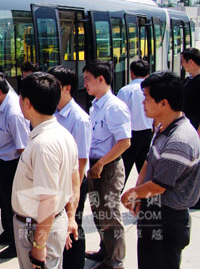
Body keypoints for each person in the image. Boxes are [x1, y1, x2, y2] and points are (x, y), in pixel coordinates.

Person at [121, 70, 200, 269]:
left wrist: (130, 194)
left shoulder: (179, 140)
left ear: (163, 103)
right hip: (154, 211)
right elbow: (148, 162)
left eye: (146, 99)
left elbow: (158, 186)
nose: (142, 103)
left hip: (168, 218)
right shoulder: (163, 127)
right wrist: (139, 195)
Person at [12, 72, 79, 269]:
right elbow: (74, 181)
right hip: (47, 224)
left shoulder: (44, 144)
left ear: (27, 103)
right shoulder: (62, 134)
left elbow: (48, 199)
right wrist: (70, 217)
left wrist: (39, 245)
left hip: (36, 229)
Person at [83, 61, 131, 269]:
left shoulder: (114, 107)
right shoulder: (96, 105)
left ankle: (115, 260)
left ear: (101, 79)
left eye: (87, 79)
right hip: (95, 166)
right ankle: (105, 249)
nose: (84, 84)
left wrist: (101, 163)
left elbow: (124, 142)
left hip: (108, 167)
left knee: (110, 214)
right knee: (98, 210)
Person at [0, 71, 30, 259]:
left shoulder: (14, 112)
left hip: (12, 166)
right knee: (3, 202)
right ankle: (7, 233)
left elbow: (23, 148)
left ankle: (16, 244)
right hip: (0, 163)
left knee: (13, 206)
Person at [48, 66, 92, 269]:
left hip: (72, 183)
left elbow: (82, 161)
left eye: (53, 84)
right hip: (56, 181)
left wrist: (74, 194)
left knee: (74, 226)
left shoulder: (79, 119)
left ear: (66, 88)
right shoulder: (53, 112)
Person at [117, 59, 154, 181]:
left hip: (130, 136)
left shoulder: (125, 90)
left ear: (131, 73)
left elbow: (119, 114)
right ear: (148, 73)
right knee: (146, 173)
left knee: (123, 172)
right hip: (148, 134)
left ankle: (117, 198)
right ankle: (147, 198)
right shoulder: (152, 90)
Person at [181, 47, 200, 136]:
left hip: (195, 128)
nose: (182, 64)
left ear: (191, 62)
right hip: (187, 126)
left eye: (183, 61)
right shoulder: (187, 80)